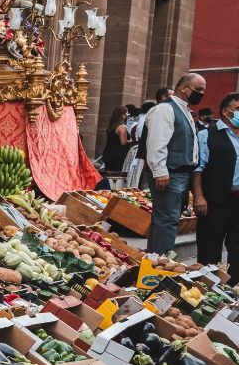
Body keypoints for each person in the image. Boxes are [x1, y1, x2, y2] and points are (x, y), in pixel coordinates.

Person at [140, 72, 205, 255]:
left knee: (164, 218)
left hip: (181, 173)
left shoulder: (184, 110)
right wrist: (160, 171)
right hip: (170, 172)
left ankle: (153, 260)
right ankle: (161, 262)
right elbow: (157, 143)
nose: (201, 93)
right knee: (168, 219)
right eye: (198, 89)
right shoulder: (165, 110)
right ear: (184, 88)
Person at [192, 92, 239, 280]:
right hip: (216, 199)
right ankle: (206, 286)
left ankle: (234, 288)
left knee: (237, 248)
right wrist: (198, 196)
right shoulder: (207, 135)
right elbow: (198, 168)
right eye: (238, 109)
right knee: (210, 245)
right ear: (226, 112)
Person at [98, 105, 131, 176]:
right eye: (127, 113)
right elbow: (123, 142)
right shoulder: (122, 127)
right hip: (118, 155)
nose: (128, 115)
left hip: (108, 153)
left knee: (109, 176)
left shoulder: (110, 127)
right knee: (116, 177)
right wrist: (132, 141)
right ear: (123, 115)